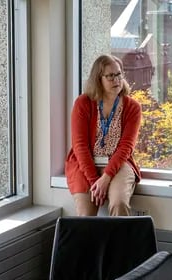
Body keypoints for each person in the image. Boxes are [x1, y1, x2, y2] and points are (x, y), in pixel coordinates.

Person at [65, 54, 142, 216]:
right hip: (85, 163)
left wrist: (105, 178)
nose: (117, 80)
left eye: (119, 74)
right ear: (98, 79)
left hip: (118, 163)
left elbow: (126, 148)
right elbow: (80, 146)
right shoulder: (83, 103)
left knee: (119, 203)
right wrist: (95, 181)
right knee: (85, 214)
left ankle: (119, 242)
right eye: (110, 76)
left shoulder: (132, 107)